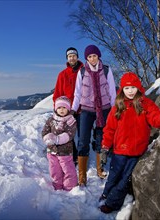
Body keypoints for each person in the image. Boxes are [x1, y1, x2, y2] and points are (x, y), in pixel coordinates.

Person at [98, 72, 160, 213]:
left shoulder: (145, 104)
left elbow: (154, 117)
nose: (130, 91)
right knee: (114, 176)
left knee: (124, 180)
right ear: (122, 89)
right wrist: (105, 147)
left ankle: (112, 203)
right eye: (126, 88)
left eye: (132, 87)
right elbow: (110, 129)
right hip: (119, 151)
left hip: (136, 151)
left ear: (138, 87)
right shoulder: (118, 106)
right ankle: (106, 193)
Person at [71, 44, 117, 186]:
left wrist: (114, 108)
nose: (92, 59)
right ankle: (82, 176)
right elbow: (77, 92)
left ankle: (99, 169)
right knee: (83, 140)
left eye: (94, 56)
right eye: (89, 56)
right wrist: (73, 109)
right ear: (86, 58)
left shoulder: (107, 70)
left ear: (98, 56)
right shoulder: (82, 71)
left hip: (104, 109)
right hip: (86, 109)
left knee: (100, 138)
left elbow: (112, 89)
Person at [53, 47, 84, 166]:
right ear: (67, 58)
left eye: (74, 55)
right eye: (70, 56)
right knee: (68, 135)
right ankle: (74, 156)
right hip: (67, 111)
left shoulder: (84, 71)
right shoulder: (62, 74)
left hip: (82, 109)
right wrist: (57, 108)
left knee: (82, 135)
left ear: (77, 56)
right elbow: (57, 94)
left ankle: (82, 158)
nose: (72, 58)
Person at [42, 96, 78, 191]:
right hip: (52, 151)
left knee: (68, 170)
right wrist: (47, 138)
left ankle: (70, 187)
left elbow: (69, 134)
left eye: (64, 107)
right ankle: (57, 186)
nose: (61, 110)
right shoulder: (51, 120)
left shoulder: (70, 121)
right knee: (55, 170)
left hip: (65, 151)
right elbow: (45, 131)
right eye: (59, 107)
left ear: (68, 109)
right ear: (55, 109)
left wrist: (56, 139)